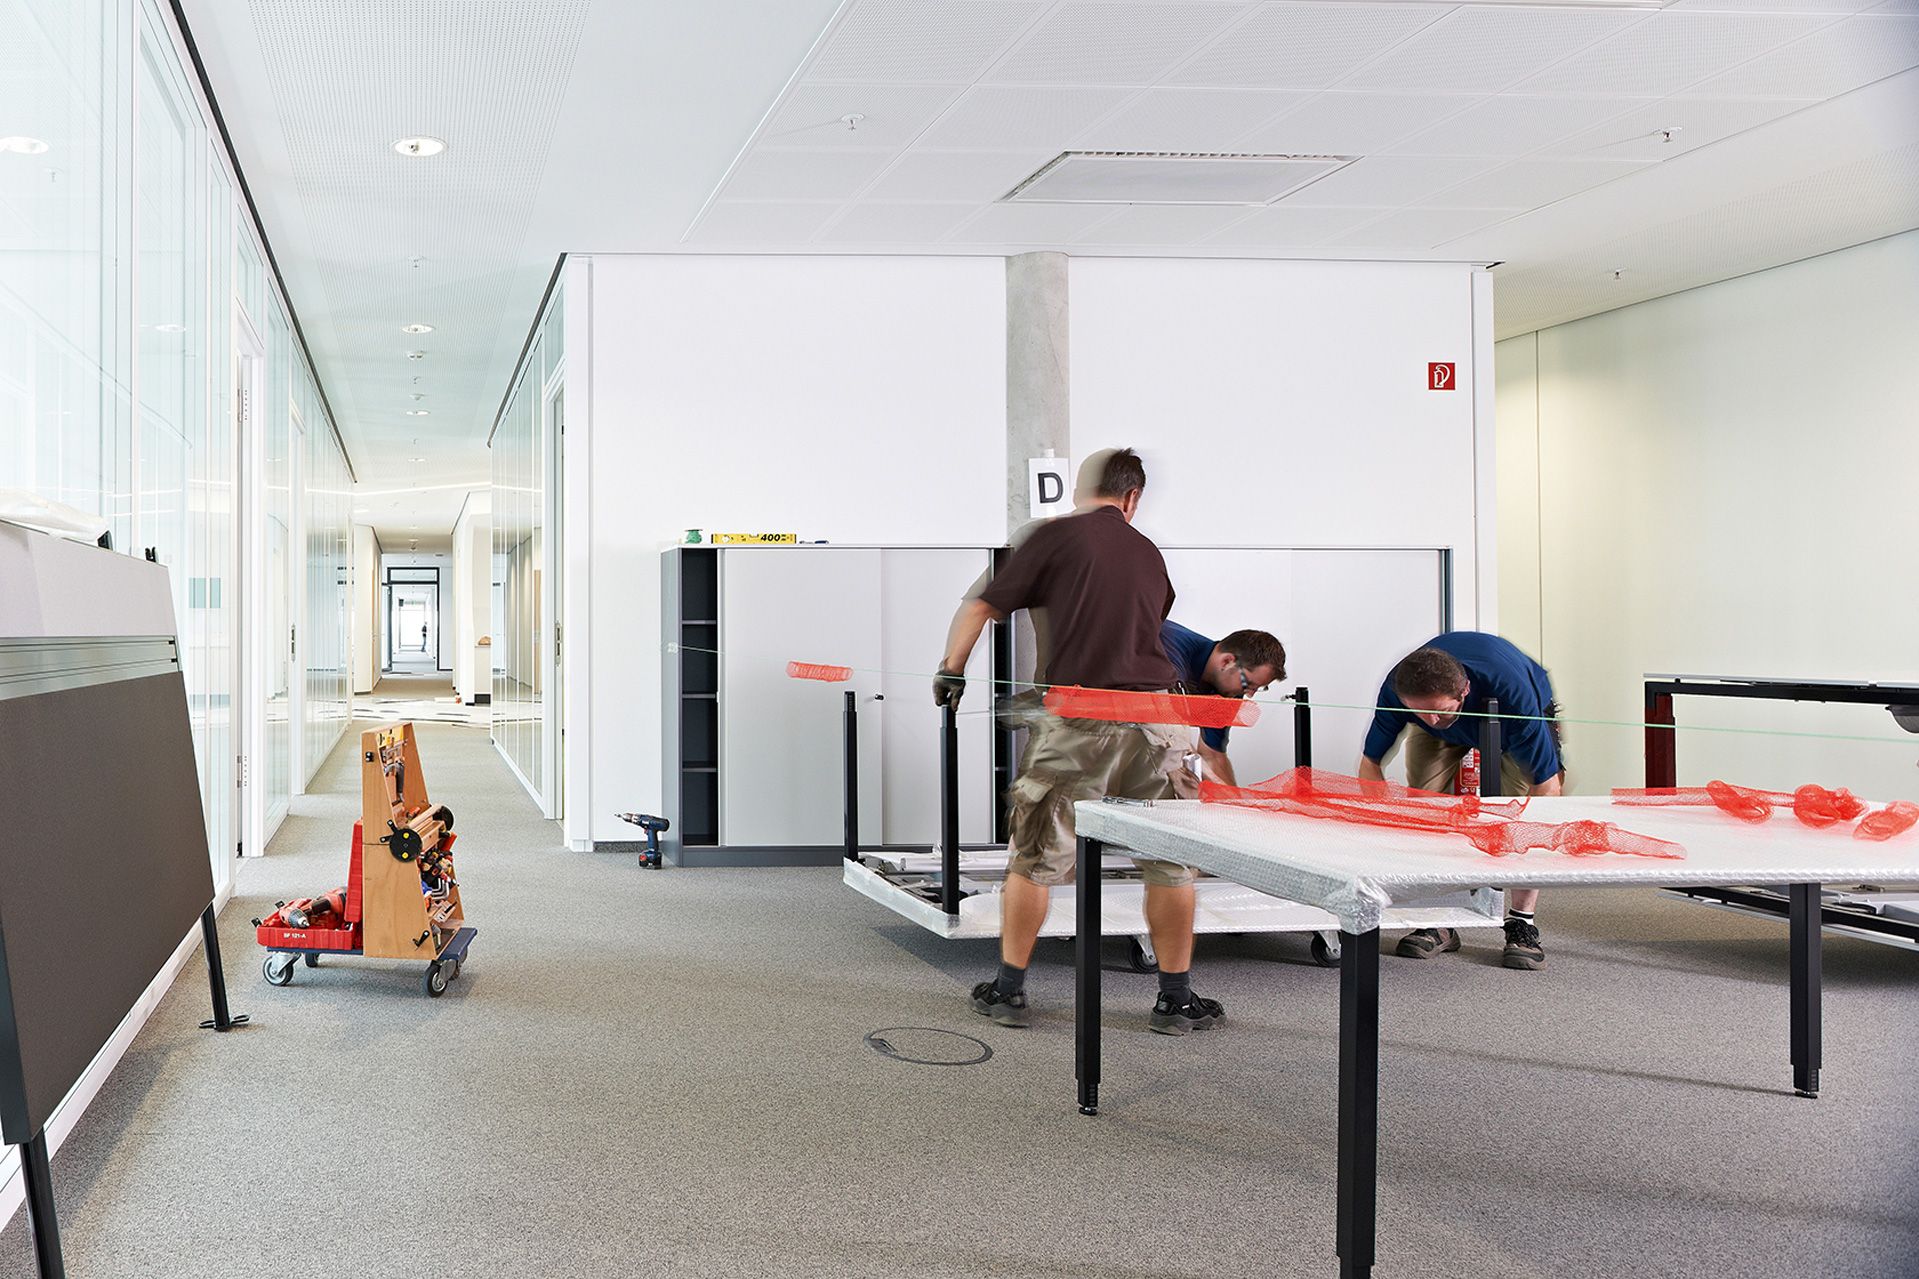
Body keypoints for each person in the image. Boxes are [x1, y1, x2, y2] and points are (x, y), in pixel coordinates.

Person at [935, 448, 1223, 1036]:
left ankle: (1008, 991)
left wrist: (952, 668)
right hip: (1159, 722)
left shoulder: (1051, 536)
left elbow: (981, 605)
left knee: (1037, 856)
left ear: (1081, 491)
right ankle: (1176, 1000)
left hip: (1078, 719)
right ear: (1133, 498)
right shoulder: (1149, 554)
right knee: (1171, 864)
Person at [1357, 632, 1564, 971]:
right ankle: (1438, 919)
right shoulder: (1399, 691)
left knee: (1517, 813)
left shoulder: (1517, 697)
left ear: (1463, 690)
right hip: (1448, 712)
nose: (1431, 721)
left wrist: (1516, 837)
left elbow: (1547, 788)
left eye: (1438, 711)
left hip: (1507, 716)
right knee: (1426, 808)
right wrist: (1389, 824)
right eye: (1419, 713)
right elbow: (1370, 766)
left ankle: (1521, 923)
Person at [1158, 621, 1287, 790]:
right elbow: (1169, 735)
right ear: (1227, 661)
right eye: (1248, 684)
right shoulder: (1170, 647)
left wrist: (1236, 806)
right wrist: (1218, 785)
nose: (1249, 694)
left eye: (1258, 688)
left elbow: (1213, 755)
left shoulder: (1229, 689)